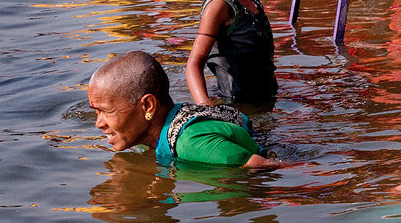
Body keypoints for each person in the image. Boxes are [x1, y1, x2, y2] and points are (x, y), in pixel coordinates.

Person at [88, 50, 276, 168]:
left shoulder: (189, 143)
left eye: (106, 112)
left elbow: (264, 165)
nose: (98, 124)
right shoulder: (173, 121)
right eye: (96, 113)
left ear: (147, 106)